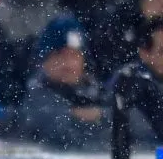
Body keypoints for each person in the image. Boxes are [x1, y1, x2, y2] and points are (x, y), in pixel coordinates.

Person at [21, 17, 110, 149]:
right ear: (45, 60)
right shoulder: (34, 96)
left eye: (74, 55)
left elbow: (137, 124)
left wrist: (103, 116)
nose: (67, 63)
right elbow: (56, 131)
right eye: (60, 54)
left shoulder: (98, 92)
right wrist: (95, 118)